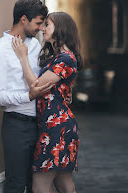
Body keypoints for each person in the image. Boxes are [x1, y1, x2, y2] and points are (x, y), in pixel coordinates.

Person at [11, 12, 83, 193]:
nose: (43, 29)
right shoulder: (60, 57)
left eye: (47, 25)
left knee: (39, 186)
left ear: (60, 29)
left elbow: (36, 86)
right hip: (57, 126)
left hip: (57, 128)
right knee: (64, 184)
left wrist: (23, 57)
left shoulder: (66, 58)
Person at [0, 0, 51, 193]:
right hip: (16, 127)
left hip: (41, 124)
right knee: (16, 184)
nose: (41, 28)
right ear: (23, 19)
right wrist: (28, 96)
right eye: (38, 23)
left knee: (38, 184)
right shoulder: (0, 50)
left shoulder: (34, 45)